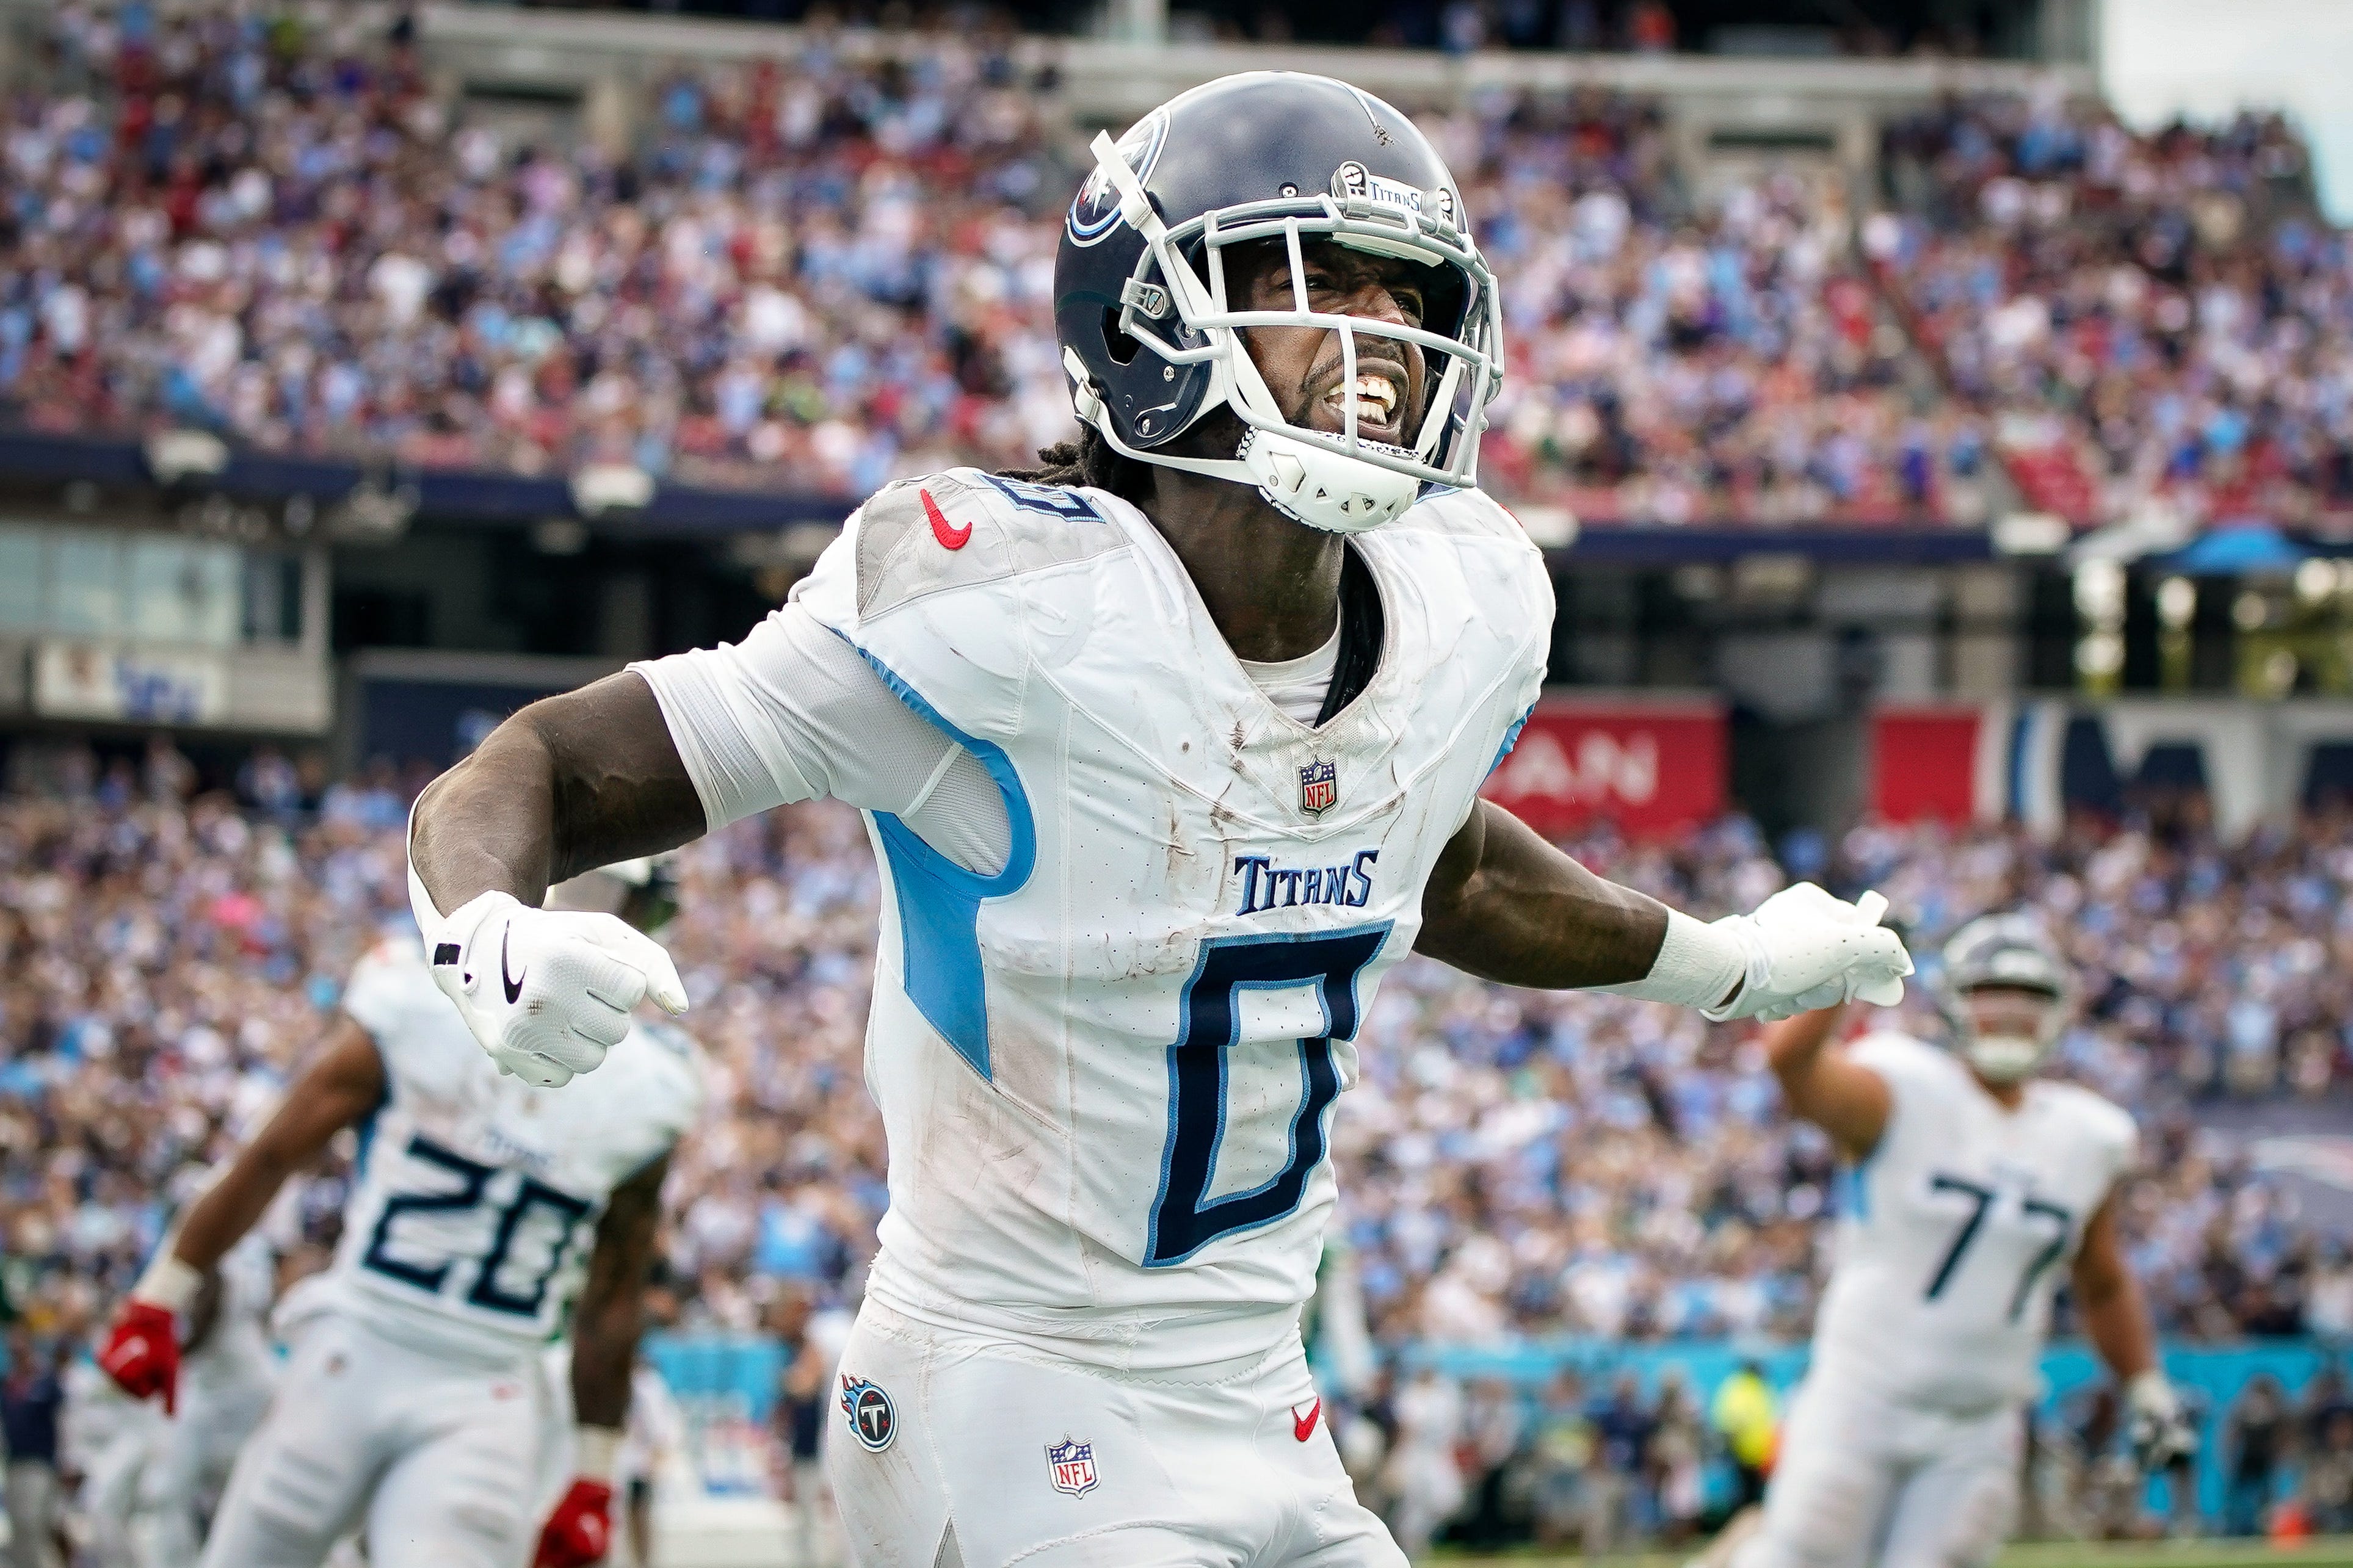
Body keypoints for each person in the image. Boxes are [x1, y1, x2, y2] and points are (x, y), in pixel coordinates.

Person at [404, 70, 1913, 1567]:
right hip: (1000, 1390)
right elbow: (550, 763)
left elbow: (1431, 868)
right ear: (1149, 320)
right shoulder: (996, 605)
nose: (1377, 337)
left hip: (1265, 1405)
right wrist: (482, 925)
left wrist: (1722, 967)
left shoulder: (1471, 599)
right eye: (1313, 284)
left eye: (1404, 296)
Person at [93, 862, 703, 1568]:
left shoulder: (420, 995)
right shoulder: (650, 1084)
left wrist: (160, 1294)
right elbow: (610, 1298)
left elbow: (270, 1154)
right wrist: (591, 1470)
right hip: (419, 1366)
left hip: (419, 1367)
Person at [1726, 914, 2197, 1568]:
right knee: (1809, 1552)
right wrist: (1842, 969)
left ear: (2058, 1013)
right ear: (1953, 1001)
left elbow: (2101, 1278)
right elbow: (1789, 1064)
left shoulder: (2088, 1135)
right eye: (1990, 995)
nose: (2008, 1016)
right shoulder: (1901, 1086)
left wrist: (2145, 1386)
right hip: (1863, 1393)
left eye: (2028, 1000)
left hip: (1982, 1416)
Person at [1, 1329, 67, 1568]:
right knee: (19, 1529)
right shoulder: (8, 1386)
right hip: (14, 1465)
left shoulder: (48, 1385)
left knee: (34, 1527)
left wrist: (66, 1461)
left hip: (40, 1465)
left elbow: (63, 1424)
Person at [1709, 1360, 1777, 1513]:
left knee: (1745, 1491)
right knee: (1749, 1492)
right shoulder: (1760, 1389)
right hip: (1755, 1449)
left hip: (1746, 1449)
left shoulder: (1735, 1387)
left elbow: (1725, 1418)